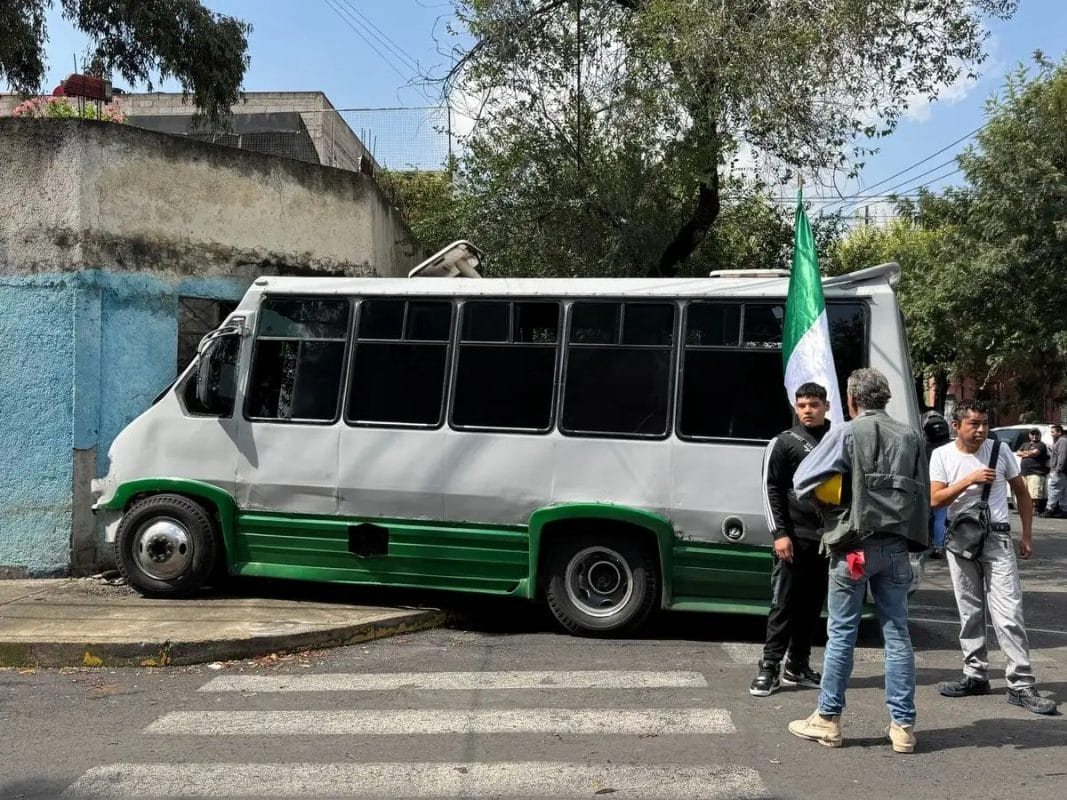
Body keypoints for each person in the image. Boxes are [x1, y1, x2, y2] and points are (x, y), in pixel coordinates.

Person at [786, 368, 929, 754]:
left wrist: (830, 500)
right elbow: (922, 496)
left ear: (851, 400)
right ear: (885, 398)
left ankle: (828, 720)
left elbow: (802, 480)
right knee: (898, 634)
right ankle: (903, 727)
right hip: (897, 547)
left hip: (853, 548)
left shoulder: (847, 432)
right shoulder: (912, 436)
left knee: (842, 635)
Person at [930, 401, 1057, 715]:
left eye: (985, 423)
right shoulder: (942, 455)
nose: (981, 430)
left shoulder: (1000, 452)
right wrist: (968, 480)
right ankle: (975, 674)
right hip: (960, 539)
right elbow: (934, 500)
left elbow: (1022, 493)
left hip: (997, 538)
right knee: (969, 610)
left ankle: (1021, 683)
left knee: (1008, 611)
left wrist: (1026, 534)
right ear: (956, 425)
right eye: (974, 423)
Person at [750, 382, 832, 697]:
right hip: (793, 539)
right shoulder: (783, 443)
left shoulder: (838, 439)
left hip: (827, 540)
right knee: (783, 604)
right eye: (802, 405)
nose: (808, 410)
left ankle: (797, 666)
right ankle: (769, 668)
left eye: (814, 404)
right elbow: (770, 489)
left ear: (826, 405)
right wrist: (779, 534)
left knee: (812, 607)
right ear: (796, 408)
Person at [922, 410, 952, 558]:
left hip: (926, 485)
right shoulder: (951, 447)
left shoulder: (924, 447)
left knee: (928, 516)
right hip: (945, 485)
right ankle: (938, 546)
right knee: (941, 517)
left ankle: (926, 542)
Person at [1016, 428, 1049, 514]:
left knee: (1034, 492)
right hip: (1024, 472)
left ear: (1039, 435)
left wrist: (1025, 453)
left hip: (1036, 472)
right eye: (1032, 434)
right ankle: (1026, 509)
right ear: (1029, 435)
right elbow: (1018, 453)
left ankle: (1034, 509)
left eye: (1036, 434)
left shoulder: (1041, 445)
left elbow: (1035, 453)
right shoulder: (1025, 444)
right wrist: (1028, 453)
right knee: (1024, 492)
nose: (1034, 436)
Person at [1040, 424, 1067, 518]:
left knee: (1054, 489)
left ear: (1059, 432)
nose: (1051, 434)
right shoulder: (1059, 441)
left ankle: (1049, 509)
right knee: (1063, 491)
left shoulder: (1062, 441)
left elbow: (1062, 456)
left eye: (1053, 432)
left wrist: (1058, 469)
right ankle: (1064, 510)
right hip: (1062, 471)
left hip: (1059, 471)